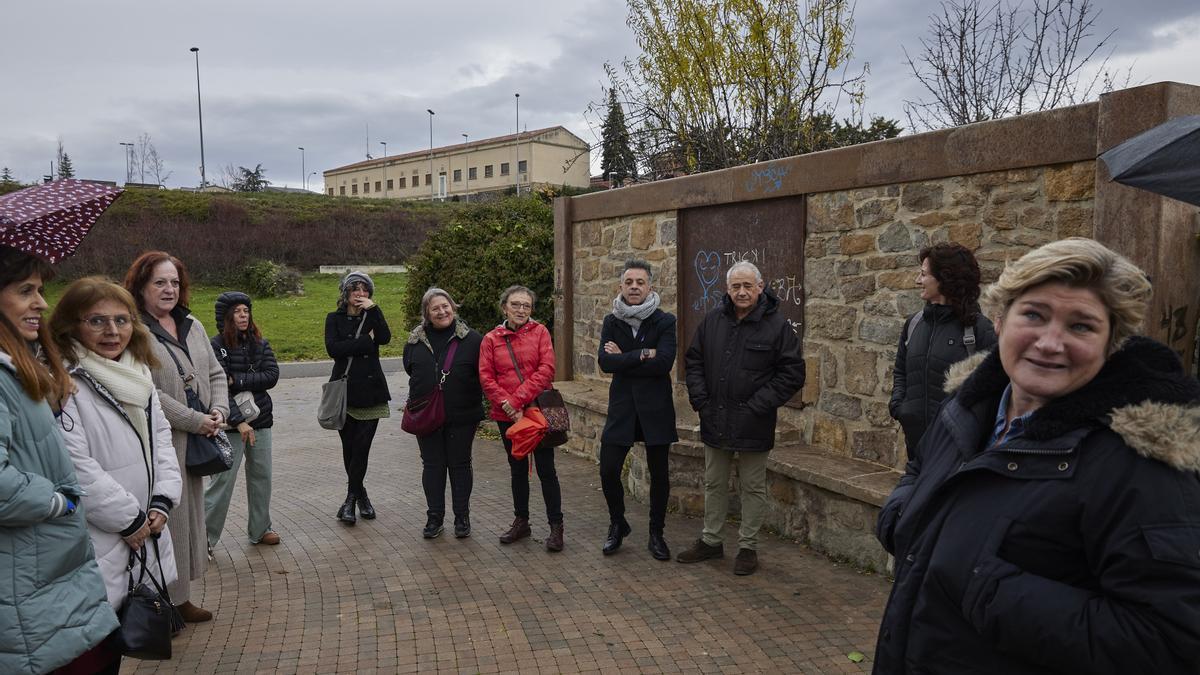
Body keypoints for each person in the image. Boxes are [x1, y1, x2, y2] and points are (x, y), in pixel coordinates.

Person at [873, 238, 1200, 674]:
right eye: (1033, 315)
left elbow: (1169, 643)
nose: (1050, 343)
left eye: (1081, 326)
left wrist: (985, 588)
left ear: (1110, 343)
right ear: (1000, 320)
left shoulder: (1140, 466)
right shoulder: (969, 404)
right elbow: (920, 464)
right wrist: (900, 515)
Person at [50, 277, 183, 673]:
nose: (112, 331)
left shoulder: (137, 373)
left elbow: (162, 441)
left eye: (122, 320)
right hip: (98, 535)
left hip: (143, 529)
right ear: (71, 325)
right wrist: (129, 518)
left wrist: (162, 500)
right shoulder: (63, 381)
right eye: (97, 320)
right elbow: (73, 465)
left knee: (119, 640)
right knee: (90, 650)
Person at [0, 248, 118, 674]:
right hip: (27, 577)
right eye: (25, 291)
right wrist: (58, 502)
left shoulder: (19, 366)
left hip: (48, 572)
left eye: (41, 290)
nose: (41, 303)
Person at [678, 260, 806, 575]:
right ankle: (711, 541)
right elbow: (694, 361)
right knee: (714, 482)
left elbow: (792, 374)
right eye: (736, 286)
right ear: (727, 289)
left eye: (748, 285)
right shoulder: (713, 321)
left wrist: (757, 406)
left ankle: (748, 547)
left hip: (754, 421)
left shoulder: (777, 326)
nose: (742, 292)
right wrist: (701, 401)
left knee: (752, 487)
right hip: (715, 418)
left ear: (760, 287)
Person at [124, 250, 227, 625]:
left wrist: (220, 411)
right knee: (169, 521)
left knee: (191, 521)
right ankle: (163, 602)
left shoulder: (192, 324)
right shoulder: (133, 330)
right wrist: (196, 420)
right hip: (163, 443)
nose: (169, 289)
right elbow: (145, 389)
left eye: (174, 282)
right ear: (141, 287)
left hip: (198, 440)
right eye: (159, 282)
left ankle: (180, 597)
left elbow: (216, 373)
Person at [597, 260, 677, 560]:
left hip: (655, 408)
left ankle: (657, 533)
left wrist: (625, 357)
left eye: (640, 282)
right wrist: (643, 354)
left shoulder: (664, 321)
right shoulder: (612, 321)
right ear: (621, 286)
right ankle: (618, 523)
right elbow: (605, 363)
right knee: (608, 470)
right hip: (622, 408)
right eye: (629, 282)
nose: (634, 287)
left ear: (649, 286)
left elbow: (663, 363)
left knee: (659, 475)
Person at [890, 242, 997, 456]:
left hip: (956, 450)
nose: (917, 280)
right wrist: (900, 408)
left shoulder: (979, 330)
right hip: (916, 444)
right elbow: (901, 371)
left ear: (945, 279)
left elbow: (994, 389)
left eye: (923, 274)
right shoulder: (914, 324)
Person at [479, 285, 564, 551]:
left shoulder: (540, 332)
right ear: (504, 307)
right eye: (515, 304)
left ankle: (556, 526)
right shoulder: (491, 339)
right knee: (517, 469)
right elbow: (486, 377)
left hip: (537, 411)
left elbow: (546, 370)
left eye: (526, 305)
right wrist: (508, 406)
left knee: (546, 470)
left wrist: (516, 401)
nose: (521, 310)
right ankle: (521, 521)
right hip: (507, 415)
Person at [402, 288, 483, 539]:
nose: (442, 311)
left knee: (460, 464)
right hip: (426, 414)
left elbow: (482, 374)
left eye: (445, 306)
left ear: (453, 307)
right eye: (435, 308)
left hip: (463, 414)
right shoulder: (415, 341)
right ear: (426, 313)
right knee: (432, 465)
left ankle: (462, 517)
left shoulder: (473, 340)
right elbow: (410, 368)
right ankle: (434, 517)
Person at [205, 291, 281, 549]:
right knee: (222, 481)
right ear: (226, 316)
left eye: (246, 311)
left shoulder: (260, 343)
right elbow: (217, 387)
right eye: (237, 312)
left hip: (261, 420)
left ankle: (261, 529)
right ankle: (204, 538)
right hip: (230, 424)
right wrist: (239, 421)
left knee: (262, 476)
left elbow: (271, 375)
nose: (243, 316)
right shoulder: (215, 346)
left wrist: (237, 379)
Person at [325, 271, 391, 525]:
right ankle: (360, 496)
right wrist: (365, 342)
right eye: (355, 289)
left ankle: (350, 499)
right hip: (345, 392)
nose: (360, 294)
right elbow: (334, 349)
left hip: (371, 392)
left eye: (365, 290)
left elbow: (384, 338)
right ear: (346, 293)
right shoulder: (334, 319)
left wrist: (374, 310)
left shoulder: (371, 315)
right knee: (350, 448)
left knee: (362, 448)